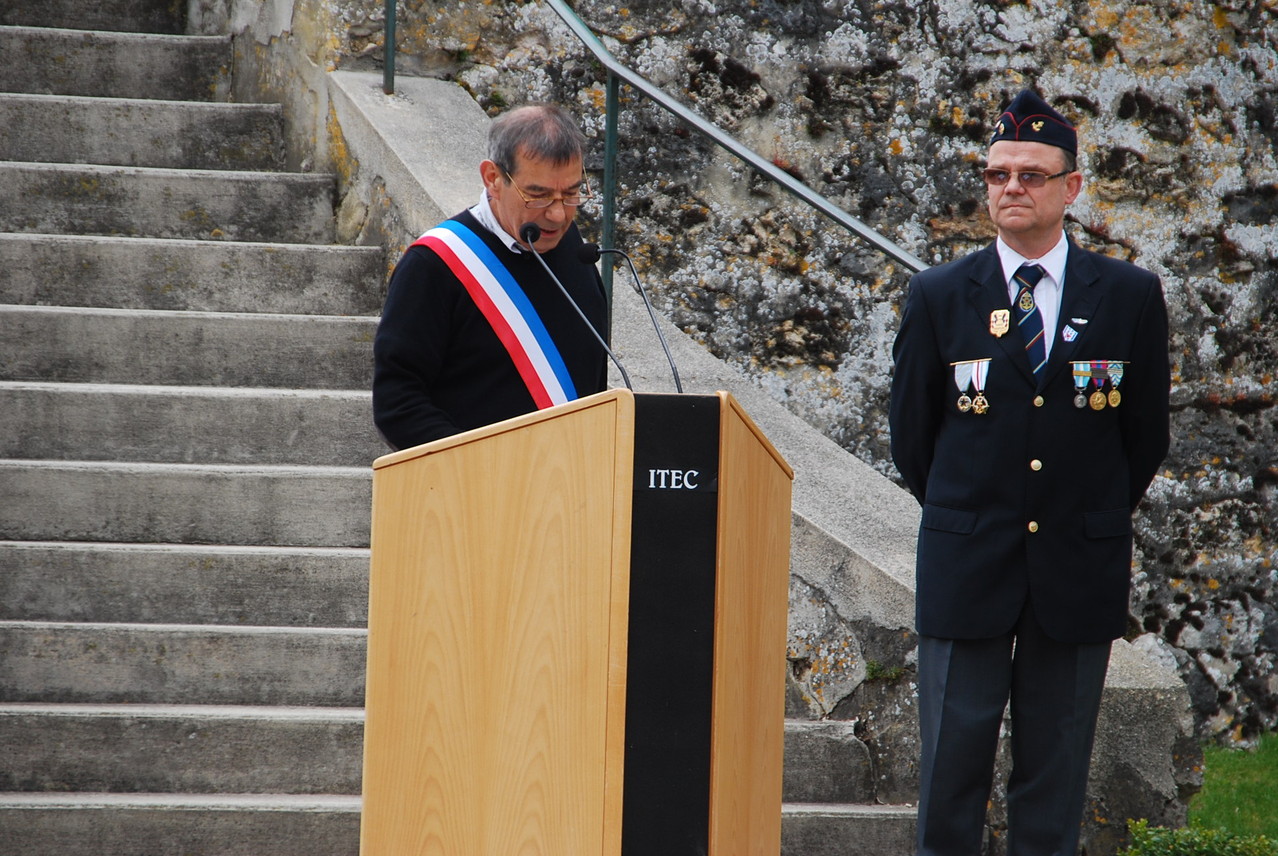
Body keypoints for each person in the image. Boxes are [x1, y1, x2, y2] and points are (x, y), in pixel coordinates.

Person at [888, 90, 1171, 855]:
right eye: (997, 174)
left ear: (1071, 188)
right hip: (968, 560)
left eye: (1032, 175)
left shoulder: (1131, 297)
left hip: (1076, 566)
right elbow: (913, 439)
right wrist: (976, 510)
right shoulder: (941, 294)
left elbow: (1142, 438)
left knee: (1053, 779)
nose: (1011, 187)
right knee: (951, 772)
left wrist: (1081, 510)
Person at [373, 103, 608, 450]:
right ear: (493, 179)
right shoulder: (435, 265)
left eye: (571, 193)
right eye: (538, 195)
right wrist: (477, 469)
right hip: (478, 492)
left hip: (572, 488)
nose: (558, 215)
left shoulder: (575, 250)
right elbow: (398, 402)